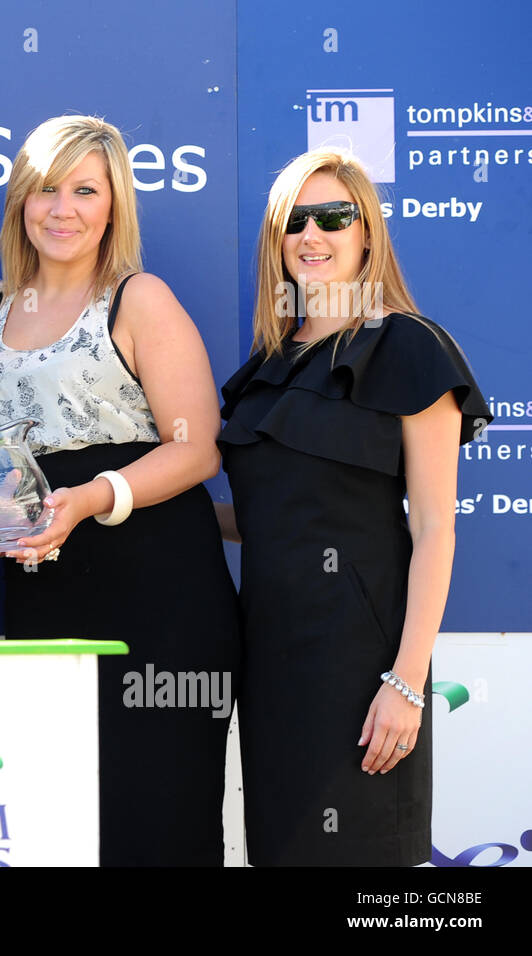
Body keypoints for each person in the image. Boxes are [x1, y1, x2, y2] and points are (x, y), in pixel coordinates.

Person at [0, 115, 241, 865]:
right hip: (45, 595)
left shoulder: (138, 298)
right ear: (20, 202)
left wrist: (90, 498)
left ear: (115, 204)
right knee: (63, 820)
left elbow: (196, 449)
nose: (63, 209)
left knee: (160, 815)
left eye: (85, 190)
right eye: (46, 190)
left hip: (160, 595)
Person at [218, 148, 490, 866]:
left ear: (367, 231)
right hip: (271, 665)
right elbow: (265, 518)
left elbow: (435, 527)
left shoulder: (408, 347)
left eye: (334, 216)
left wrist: (405, 682)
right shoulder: (265, 367)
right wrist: (127, 509)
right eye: (294, 220)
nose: (313, 235)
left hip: (363, 668)